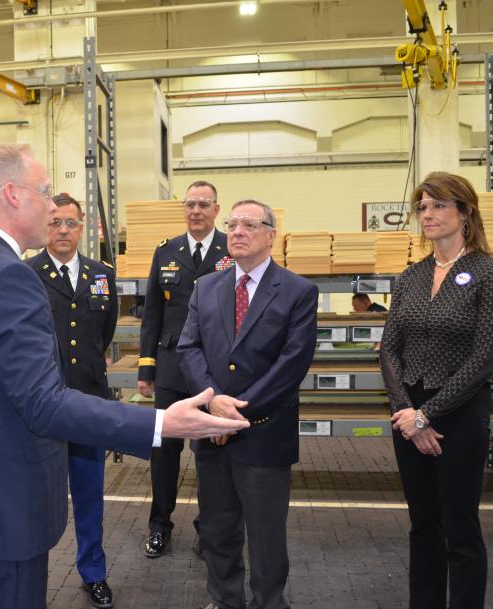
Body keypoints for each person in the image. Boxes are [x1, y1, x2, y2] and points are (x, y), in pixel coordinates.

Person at [0, 144, 249, 609]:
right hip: (2, 510)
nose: (53, 207)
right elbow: (43, 403)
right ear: (12, 194)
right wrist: (161, 424)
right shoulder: (10, 276)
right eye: (45, 192)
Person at [178, 199, 318, 609]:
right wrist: (212, 401)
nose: (237, 231)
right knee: (218, 530)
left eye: (249, 225)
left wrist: (236, 411)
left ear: (271, 235)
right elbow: (189, 347)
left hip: (263, 431)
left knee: (266, 533)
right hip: (212, 433)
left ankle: (268, 601)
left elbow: (293, 363)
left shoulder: (297, 291)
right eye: (233, 224)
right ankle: (224, 600)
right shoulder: (206, 287)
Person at [380, 171, 493, 609]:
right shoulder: (412, 276)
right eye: (422, 207)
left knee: (460, 528)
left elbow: (484, 357)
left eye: (438, 205)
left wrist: (427, 415)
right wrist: (405, 412)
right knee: (423, 526)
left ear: (465, 211)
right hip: (408, 416)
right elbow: (389, 349)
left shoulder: (488, 273)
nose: (427, 214)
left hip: (459, 414)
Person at [25, 193, 118, 609]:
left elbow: (106, 330)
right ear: (45, 227)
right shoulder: (27, 273)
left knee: (89, 496)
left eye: (71, 223)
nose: (63, 230)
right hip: (42, 405)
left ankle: (93, 573)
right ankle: (30, 580)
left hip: (87, 401)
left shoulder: (101, 275)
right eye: (55, 222)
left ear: (84, 228)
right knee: (36, 500)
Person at [138, 180, 230, 558]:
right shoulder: (167, 251)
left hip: (215, 371)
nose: (196, 211)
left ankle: (208, 531)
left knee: (210, 454)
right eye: (190, 204)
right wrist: (147, 368)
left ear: (215, 210)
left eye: (203, 204)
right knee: (165, 452)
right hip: (173, 369)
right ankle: (160, 525)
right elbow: (152, 315)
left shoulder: (232, 249)